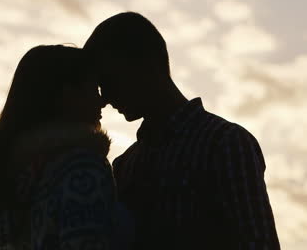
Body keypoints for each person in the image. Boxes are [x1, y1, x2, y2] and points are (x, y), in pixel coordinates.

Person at [83, 12, 280, 250]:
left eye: (109, 80)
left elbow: (258, 243)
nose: (105, 98)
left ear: (147, 63)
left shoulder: (226, 143)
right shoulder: (125, 165)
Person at [0, 45, 133, 250]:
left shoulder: (11, 176)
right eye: (93, 89)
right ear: (67, 95)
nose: (102, 101)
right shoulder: (81, 168)